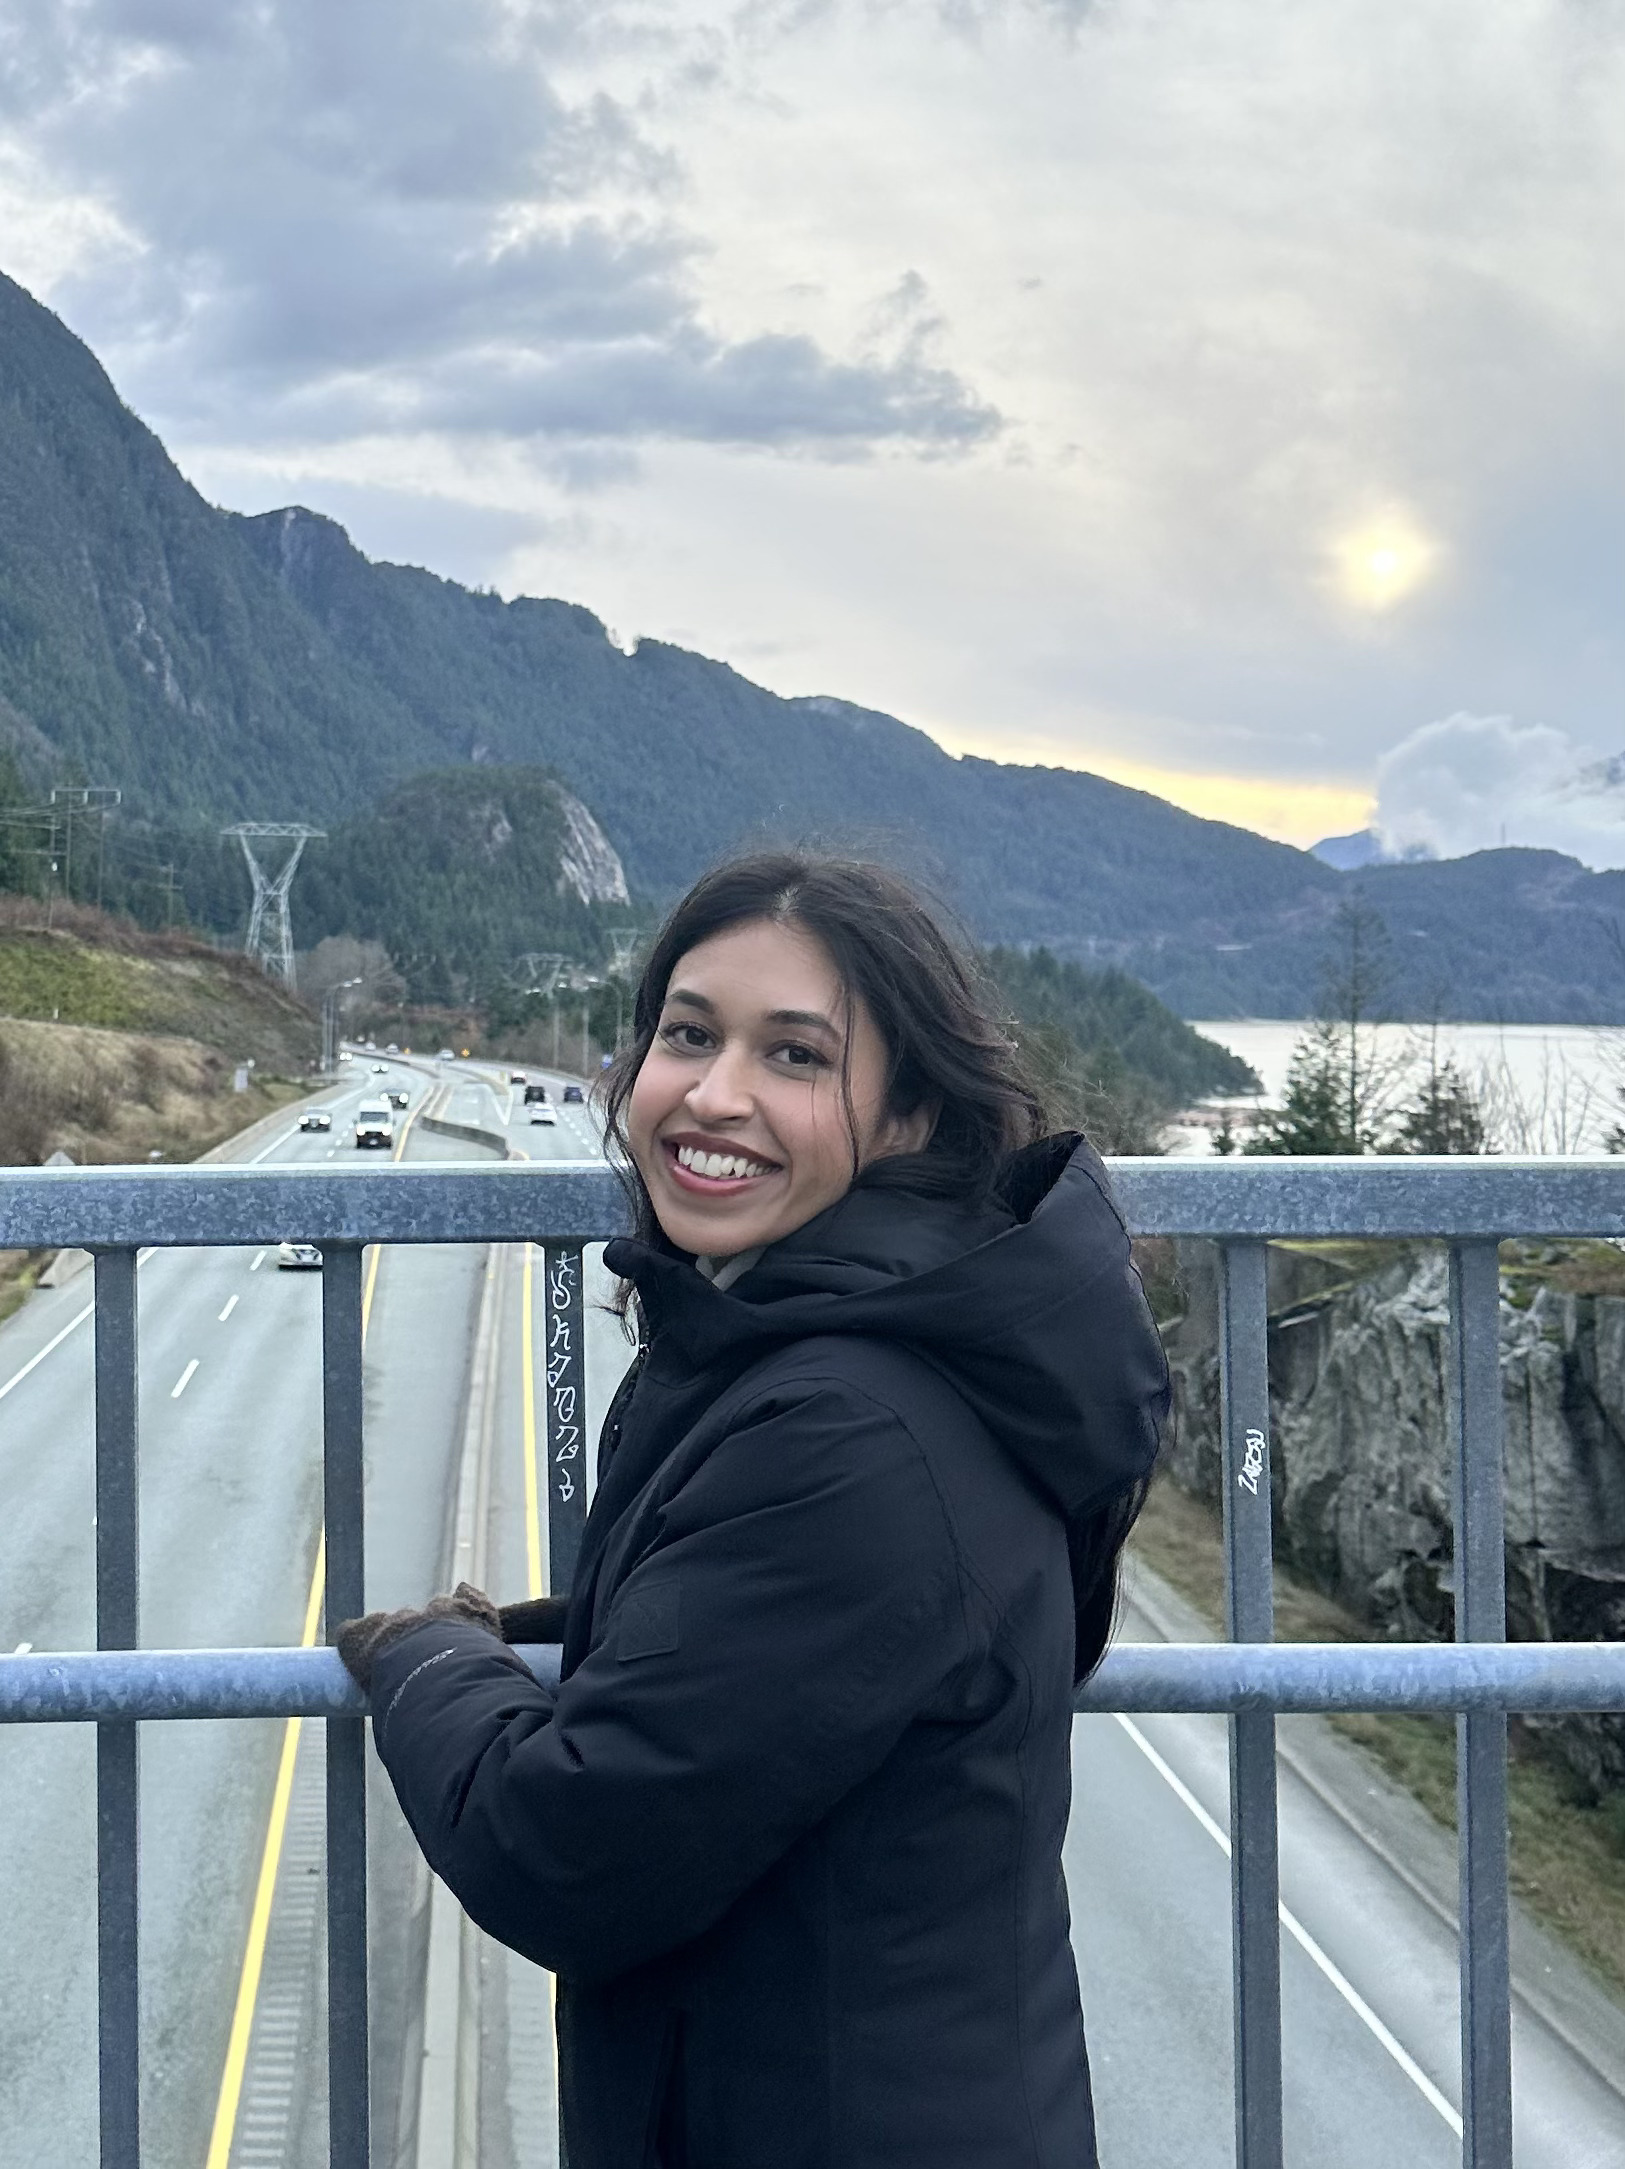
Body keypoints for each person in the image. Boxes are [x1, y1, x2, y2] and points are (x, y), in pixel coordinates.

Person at [339, 852, 1170, 2169]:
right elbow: (759, 1651)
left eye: (794, 1055)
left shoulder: (852, 1433)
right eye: (686, 1034)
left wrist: (425, 1659)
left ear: (907, 1114)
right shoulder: (851, 1346)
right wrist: (550, 1632)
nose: (712, 1095)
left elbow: (565, 1844)